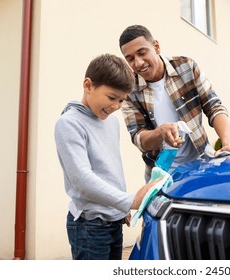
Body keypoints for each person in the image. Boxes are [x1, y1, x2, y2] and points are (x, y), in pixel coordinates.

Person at [54, 54, 160, 260]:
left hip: (114, 220)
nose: (116, 106)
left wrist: (120, 207)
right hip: (89, 226)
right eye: (112, 98)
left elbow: (111, 169)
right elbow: (82, 180)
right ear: (88, 85)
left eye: (122, 100)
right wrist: (129, 200)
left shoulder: (111, 122)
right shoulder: (69, 124)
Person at [119, 25, 230, 181]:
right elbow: (138, 138)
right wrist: (160, 132)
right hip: (162, 176)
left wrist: (226, 141)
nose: (138, 63)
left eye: (142, 53)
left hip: (201, 165)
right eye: (130, 58)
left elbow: (213, 106)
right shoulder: (129, 91)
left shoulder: (186, 67)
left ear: (156, 47)